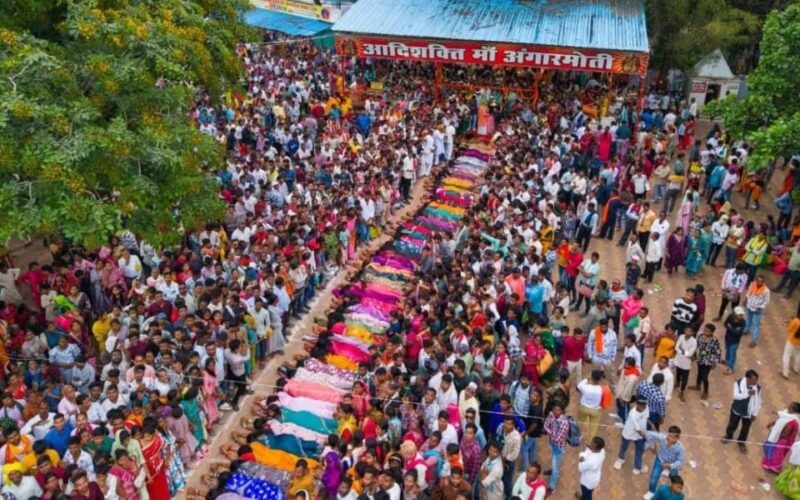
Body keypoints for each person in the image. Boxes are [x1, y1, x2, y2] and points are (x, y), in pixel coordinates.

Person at [723, 369, 762, 453]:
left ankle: (741, 443)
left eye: (756, 379)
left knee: (745, 428)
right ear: (747, 378)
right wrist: (748, 394)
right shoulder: (738, 383)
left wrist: (755, 413)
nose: (756, 381)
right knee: (732, 424)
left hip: (748, 413)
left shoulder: (758, 388)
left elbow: (758, 402)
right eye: (754, 379)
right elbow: (736, 396)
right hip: (737, 409)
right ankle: (728, 436)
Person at [642, 426, 685, 500]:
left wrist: (670, 466)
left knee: (674, 479)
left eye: (673, 437)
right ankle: (651, 491)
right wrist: (652, 446)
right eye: (669, 435)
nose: (669, 438)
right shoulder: (662, 437)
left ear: (677, 438)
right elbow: (649, 434)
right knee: (654, 476)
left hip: (672, 464)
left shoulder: (680, 448)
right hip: (660, 460)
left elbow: (680, 461)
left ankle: (671, 490)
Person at [762, 402, 800, 473]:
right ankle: (768, 464)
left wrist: (776, 434)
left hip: (783, 440)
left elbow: (785, 433)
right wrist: (773, 424)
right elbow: (781, 420)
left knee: (777, 454)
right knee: (772, 450)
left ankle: (773, 468)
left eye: (790, 407)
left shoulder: (793, 421)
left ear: (794, 411)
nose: (788, 408)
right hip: (778, 437)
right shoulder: (787, 414)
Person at [614, 397, 649, 474]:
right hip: (629, 433)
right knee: (624, 447)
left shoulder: (646, 408)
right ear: (637, 404)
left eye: (644, 405)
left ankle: (637, 466)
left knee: (640, 450)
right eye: (641, 405)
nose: (643, 407)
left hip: (640, 435)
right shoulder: (633, 414)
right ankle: (620, 459)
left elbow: (646, 418)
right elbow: (637, 429)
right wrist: (646, 437)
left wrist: (652, 426)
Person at [542, 403, 570, 495]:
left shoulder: (564, 423)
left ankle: (552, 487)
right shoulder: (551, 415)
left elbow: (557, 438)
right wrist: (551, 432)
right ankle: (553, 472)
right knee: (554, 463)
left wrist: (549, 432)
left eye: (558, 410)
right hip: (552, 443)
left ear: (562, 411)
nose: (556, 412)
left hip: (558, 447)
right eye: (554, 409)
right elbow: (545, 425)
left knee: (555, 467)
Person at [690, 323, 721, 400]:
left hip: (708, 361)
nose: (705, 332)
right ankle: (697, 385)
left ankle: (706, 392)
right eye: (705, 330)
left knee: (705, 376)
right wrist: (694, 355)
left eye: (708, 331)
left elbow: (717, 351)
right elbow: (696, 345)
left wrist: (715, 362)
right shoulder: (700, 336)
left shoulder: (715, 340)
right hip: (700, 358)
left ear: (712, 332)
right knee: (699, 373)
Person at [743, 275, 770, 348]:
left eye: (761, 281)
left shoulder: (766, 291)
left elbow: (766, 301)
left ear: (763, 282)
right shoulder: (752, 285)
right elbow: (748, 293)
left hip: (758, 309)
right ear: (756, 280)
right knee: (748, 319)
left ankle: (754, 340)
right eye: (758, 280)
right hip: (750, 306)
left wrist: (760, 307)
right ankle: (746, 330)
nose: (759, 282)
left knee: (755, 324)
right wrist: (745, 300)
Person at [577, 370, 605, 439]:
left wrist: (587, 379)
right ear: (600, 379)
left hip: (584, 408)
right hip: (596, 410)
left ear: (591, 377)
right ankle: (590, 443)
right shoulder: (602, 389)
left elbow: (578, 386)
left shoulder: (585, 387)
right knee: (593, 428)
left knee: (580, 422)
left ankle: (577, 436)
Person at [673, 327, 697, 402]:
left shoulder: (694, 341)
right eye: (686, 330)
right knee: (678, 372)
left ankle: (682, 391)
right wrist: (683, 352)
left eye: (690, 331)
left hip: (686, 362)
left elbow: (690, 353)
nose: (688, 332)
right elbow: (676, 347)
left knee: (685, 377)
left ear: (693, 333)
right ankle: (677, 382)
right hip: (679, 359)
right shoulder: (681, 336)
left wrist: (682, 351)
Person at [723, 307, 747, 374]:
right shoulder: (730, 317)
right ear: (735, 314)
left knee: (732, 353)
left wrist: (730, 328)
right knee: (727, 350)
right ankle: (727, 361)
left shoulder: (743, 322)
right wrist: (734, 329)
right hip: (727, 338)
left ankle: (730, 368)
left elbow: (738, 332)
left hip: (735, 341)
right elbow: (725, 324)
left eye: (742, 314)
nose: (741, 316)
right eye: (739, 314)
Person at [782, 313, 800, 379]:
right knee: (798, 354)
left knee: (786, 355)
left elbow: (790, 329)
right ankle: (796, 368)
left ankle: (785, 373)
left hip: (791, 340)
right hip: (799, 343)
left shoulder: (796, 321)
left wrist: (791, 321)